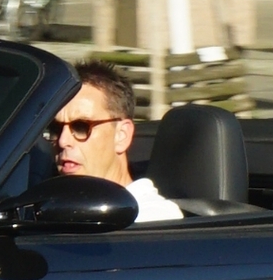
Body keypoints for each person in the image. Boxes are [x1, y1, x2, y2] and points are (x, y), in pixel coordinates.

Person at [46, 60, 180, 222]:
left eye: (81, 127)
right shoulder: (47, 213)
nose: (63, 141)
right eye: (56, 128)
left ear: (121, 135)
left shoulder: (152, 218)